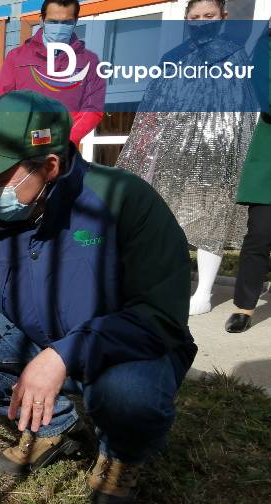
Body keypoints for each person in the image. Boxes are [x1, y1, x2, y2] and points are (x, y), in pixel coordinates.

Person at [0, 90, 196, 504]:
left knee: (127, 394)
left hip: (124, 350)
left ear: (50, 166)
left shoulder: (123, 203)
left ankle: (120, 452)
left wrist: (62, 356)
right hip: (38, 341)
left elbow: (158, 317)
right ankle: (55, 426)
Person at [116, 0, 256, 316]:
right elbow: (154, 107)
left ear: (223, 17)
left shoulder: (233, 55)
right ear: (186, 19)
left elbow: (239, 112)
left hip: (215, 156)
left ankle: (204, 292)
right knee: (169, 222)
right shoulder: (174, 57)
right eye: (195, 17)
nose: (202, 22)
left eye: (208, 16)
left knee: (209, 222)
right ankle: (171, 284)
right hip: (171, 157)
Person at [0, 0, 105, 144]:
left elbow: (93, 109)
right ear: (42, 20)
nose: (59, 28)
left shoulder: (89, 63)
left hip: (62, 152)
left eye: (66, 22)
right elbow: (2, 104)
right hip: (23, 152)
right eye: (53, 21)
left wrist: (60, 138)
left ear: (75, 21)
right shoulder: (16, 58)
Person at [227, 26, 271, 333]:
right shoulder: (265, 48)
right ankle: (244, 307)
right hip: (269, 159)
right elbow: (266, 95)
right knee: (260, 235)